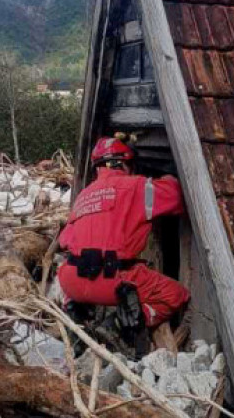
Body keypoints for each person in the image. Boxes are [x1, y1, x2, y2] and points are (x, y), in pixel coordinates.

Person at [58, 136, 190, 352]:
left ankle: (77, 317)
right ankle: (123, 324)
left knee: (74, 274)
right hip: (114, 279)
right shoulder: (137, 186)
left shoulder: (83, 195)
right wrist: (168, 175)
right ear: (126, 163)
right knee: (176, 294)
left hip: (71, 282)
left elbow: (65, 240)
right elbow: (176, 196)